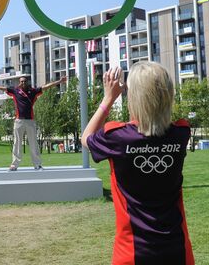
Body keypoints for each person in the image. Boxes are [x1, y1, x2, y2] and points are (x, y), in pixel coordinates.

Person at [82, 63, 194, 264]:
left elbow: (86, 138)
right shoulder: (181, 134)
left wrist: (108, 99)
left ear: (134, 97)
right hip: (177, 249)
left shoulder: (117, 138)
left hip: (132, 252)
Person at [0, 76, 66, 171]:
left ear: (28, 82)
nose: (23, 83)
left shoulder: (33, 91)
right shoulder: (15, 91)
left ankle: (37, 165)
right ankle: (14, 165)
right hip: (19, 121)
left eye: (25, 81)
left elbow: (46, 87)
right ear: (19, 83)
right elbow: (0, 88)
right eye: (21, 82)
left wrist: (59, 81)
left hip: (30, 121)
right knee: (17, 143)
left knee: (34, 143)